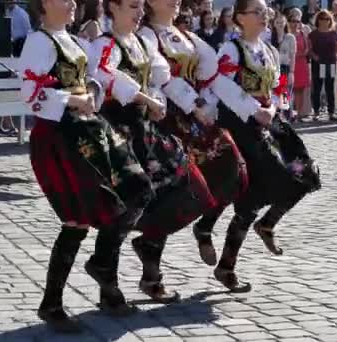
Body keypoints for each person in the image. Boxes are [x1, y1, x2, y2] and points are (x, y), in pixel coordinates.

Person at [19, 0, 154, 332]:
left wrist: (91, 93)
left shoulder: (74, 40)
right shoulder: (38, 42)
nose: (73, 4)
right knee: (78, 218)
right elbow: (29, 93)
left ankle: (103, 266)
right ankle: (53, 303)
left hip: (93, 128)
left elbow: (95, 76)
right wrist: (71, 100)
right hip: (60, 138)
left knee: (137, 189)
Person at [90, 0, 213, 304]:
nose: (139, 12)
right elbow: (106, 75)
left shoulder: (144, 42)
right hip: (120, 134)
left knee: (192, 188)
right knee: (124, 205)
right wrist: (145, 98)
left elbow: (164, 79)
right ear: (113, 8)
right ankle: (111, 281)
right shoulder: (104, 44)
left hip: (148, 132)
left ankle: (144, 250)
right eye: (132, 6)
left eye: (140, 6)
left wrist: (193, 105)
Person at [195, 0, 320, 292]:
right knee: (251, 194)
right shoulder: (231, 50)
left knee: (305, 173)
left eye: (266, 12)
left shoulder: (268, 51)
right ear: (240, 17)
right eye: (257, 12)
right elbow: (222, 86)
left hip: (269, 124)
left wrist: (274, 108)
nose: (265, 16)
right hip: (241, 127)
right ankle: (225, 263)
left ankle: (267, 225)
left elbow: (278, 86)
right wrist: (254, 109)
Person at [133, 0, 248, 300]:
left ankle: (205, 227)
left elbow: (209, 77)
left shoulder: (187, 35)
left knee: (233, 167)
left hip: (195, 116)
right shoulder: (146, 36)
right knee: (174, 191)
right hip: (167, 119)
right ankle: (151, 273)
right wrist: (194, 104)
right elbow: (163, 79)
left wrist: (216, 104)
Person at [308, 10, 337, 121]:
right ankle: (316, 112)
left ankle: (331, 112)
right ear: (318, 20)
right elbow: (309, 49)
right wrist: (314, 56)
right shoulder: (313, 34)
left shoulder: (334, 34)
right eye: (322, 18)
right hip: (318, 63)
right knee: (317, 88)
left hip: (330, 63)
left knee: (330, 88)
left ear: (330, 20)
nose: (324, 21)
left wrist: (336, 54)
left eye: (327, 19)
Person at [271, 13, 296, 119]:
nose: (280, 24)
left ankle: (286, 116)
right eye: (278, 22)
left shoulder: (290, 37)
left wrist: (291, 72)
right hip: (273, 69)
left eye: (282, 22)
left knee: (285, 92)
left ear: (285, 23)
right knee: (275, 93)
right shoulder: (271, 37)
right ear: (274, 24)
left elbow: (292, 55)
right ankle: (277, 115)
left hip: (285, 68)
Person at [288, 8, 310, 120]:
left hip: (302, 64)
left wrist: (297, 54)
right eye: (293, 21)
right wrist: (294, 55)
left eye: (297, 21)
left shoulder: (302, 34)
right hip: (291, 65)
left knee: (300, 90)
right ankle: (290, 112)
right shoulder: (286, 35)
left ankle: (300, 113)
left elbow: (307, 50)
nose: (295, 23)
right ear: (289, 22)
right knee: (290, 90)